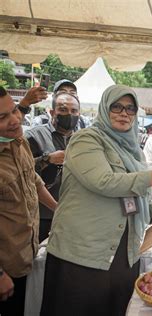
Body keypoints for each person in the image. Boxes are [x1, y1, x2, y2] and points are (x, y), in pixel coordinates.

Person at [40, 85, 152, 316]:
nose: (124, 113)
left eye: (130, 109)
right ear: (104, 108)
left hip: (123, 250)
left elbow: (129, 192)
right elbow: (104, 181)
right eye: (117, 107)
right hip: (84, 254)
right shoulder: (85, 140)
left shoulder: (131, 148)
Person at [0, 86, 57, 316]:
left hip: (24, 256)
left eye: (14, 110)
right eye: (3, 117)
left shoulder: (17, 141)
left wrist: (57, 208)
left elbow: (32, 179)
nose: (15, 120)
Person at [25, 92, 81, 242]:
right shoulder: (34, 136)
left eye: (74, 111)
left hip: (72, 215)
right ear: (51, 112)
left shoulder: (83, 140)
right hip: (41, 216)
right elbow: (21, 170)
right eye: (63, 110)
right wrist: (47, 159)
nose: (69, 115)